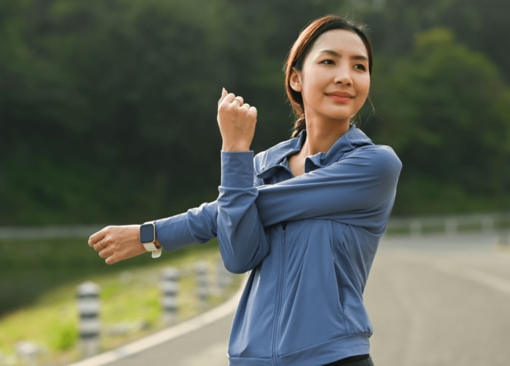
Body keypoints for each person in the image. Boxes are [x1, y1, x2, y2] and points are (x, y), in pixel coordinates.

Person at [88, 14, 402, 366]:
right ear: (296, 78)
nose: (345, 76)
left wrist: (155, 233)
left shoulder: (375, 166)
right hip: (249, 359)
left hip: (334, 358)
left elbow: (256, 206)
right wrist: (239, 156)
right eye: (329, 61)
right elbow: (239, 257)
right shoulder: (263, 166)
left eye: (359, 67)